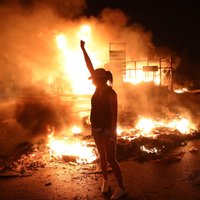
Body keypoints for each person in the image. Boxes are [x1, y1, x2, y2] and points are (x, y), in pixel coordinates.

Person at [80, 40, 125, 200]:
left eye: (93, 78)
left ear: (100, 80)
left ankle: (121, 188)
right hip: (96, 128)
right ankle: (105, 180)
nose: (91, 79)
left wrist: (113, 133)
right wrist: (83, 49)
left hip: (107, 129)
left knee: (111, 158)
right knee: (102, 156)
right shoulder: (98, 89)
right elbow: (89, 65)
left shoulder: (111, 93)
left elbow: (115, 115)